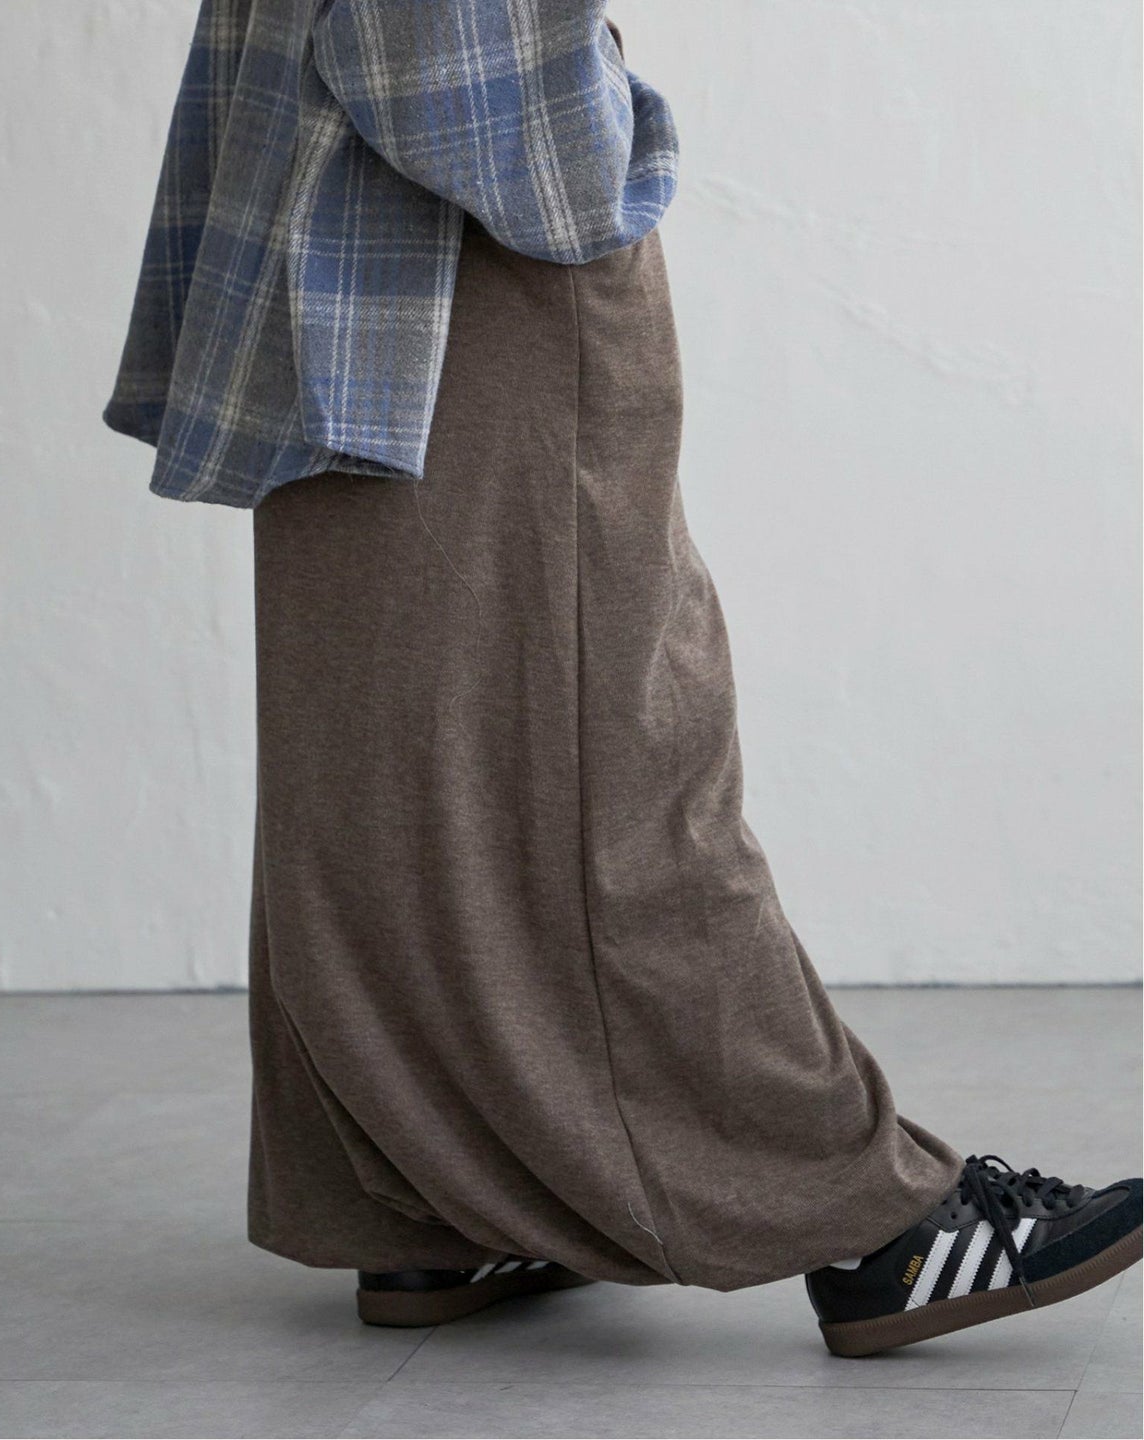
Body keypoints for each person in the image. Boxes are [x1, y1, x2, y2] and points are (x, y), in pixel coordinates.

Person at [103, 1, 1140, 1357]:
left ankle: (432, 1206)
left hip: (330, 255)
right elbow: (449, 60)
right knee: (617, 766)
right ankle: (867, 1220)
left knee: (389, 770)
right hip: (456, 275)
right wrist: (602, 152)